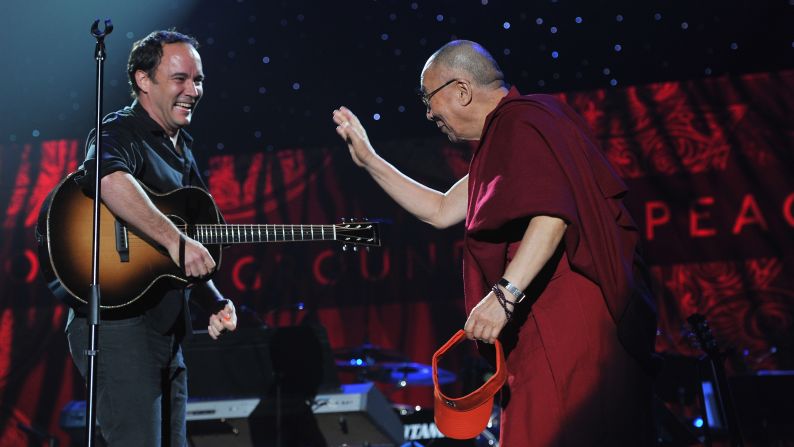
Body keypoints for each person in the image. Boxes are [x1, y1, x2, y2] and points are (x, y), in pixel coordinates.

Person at [332, 40, 657, 446]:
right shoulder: (504, 140)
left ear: (461, 90)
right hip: (540, 324)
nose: (429, 113)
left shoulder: (521, 122)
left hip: (565, 319)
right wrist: (369, 160)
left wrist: (505, 294)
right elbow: (440, 209)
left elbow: (553, 213)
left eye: (429, 99)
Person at [66, 30, 238, 446]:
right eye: (180, 78)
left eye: (198, 80)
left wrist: (212, 299)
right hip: (118, 322)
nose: (193, 90)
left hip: (166, 329)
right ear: (144, 80)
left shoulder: (183, 149)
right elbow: (106, 178)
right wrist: (176, 240)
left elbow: (182, 250)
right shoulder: (122, 131)